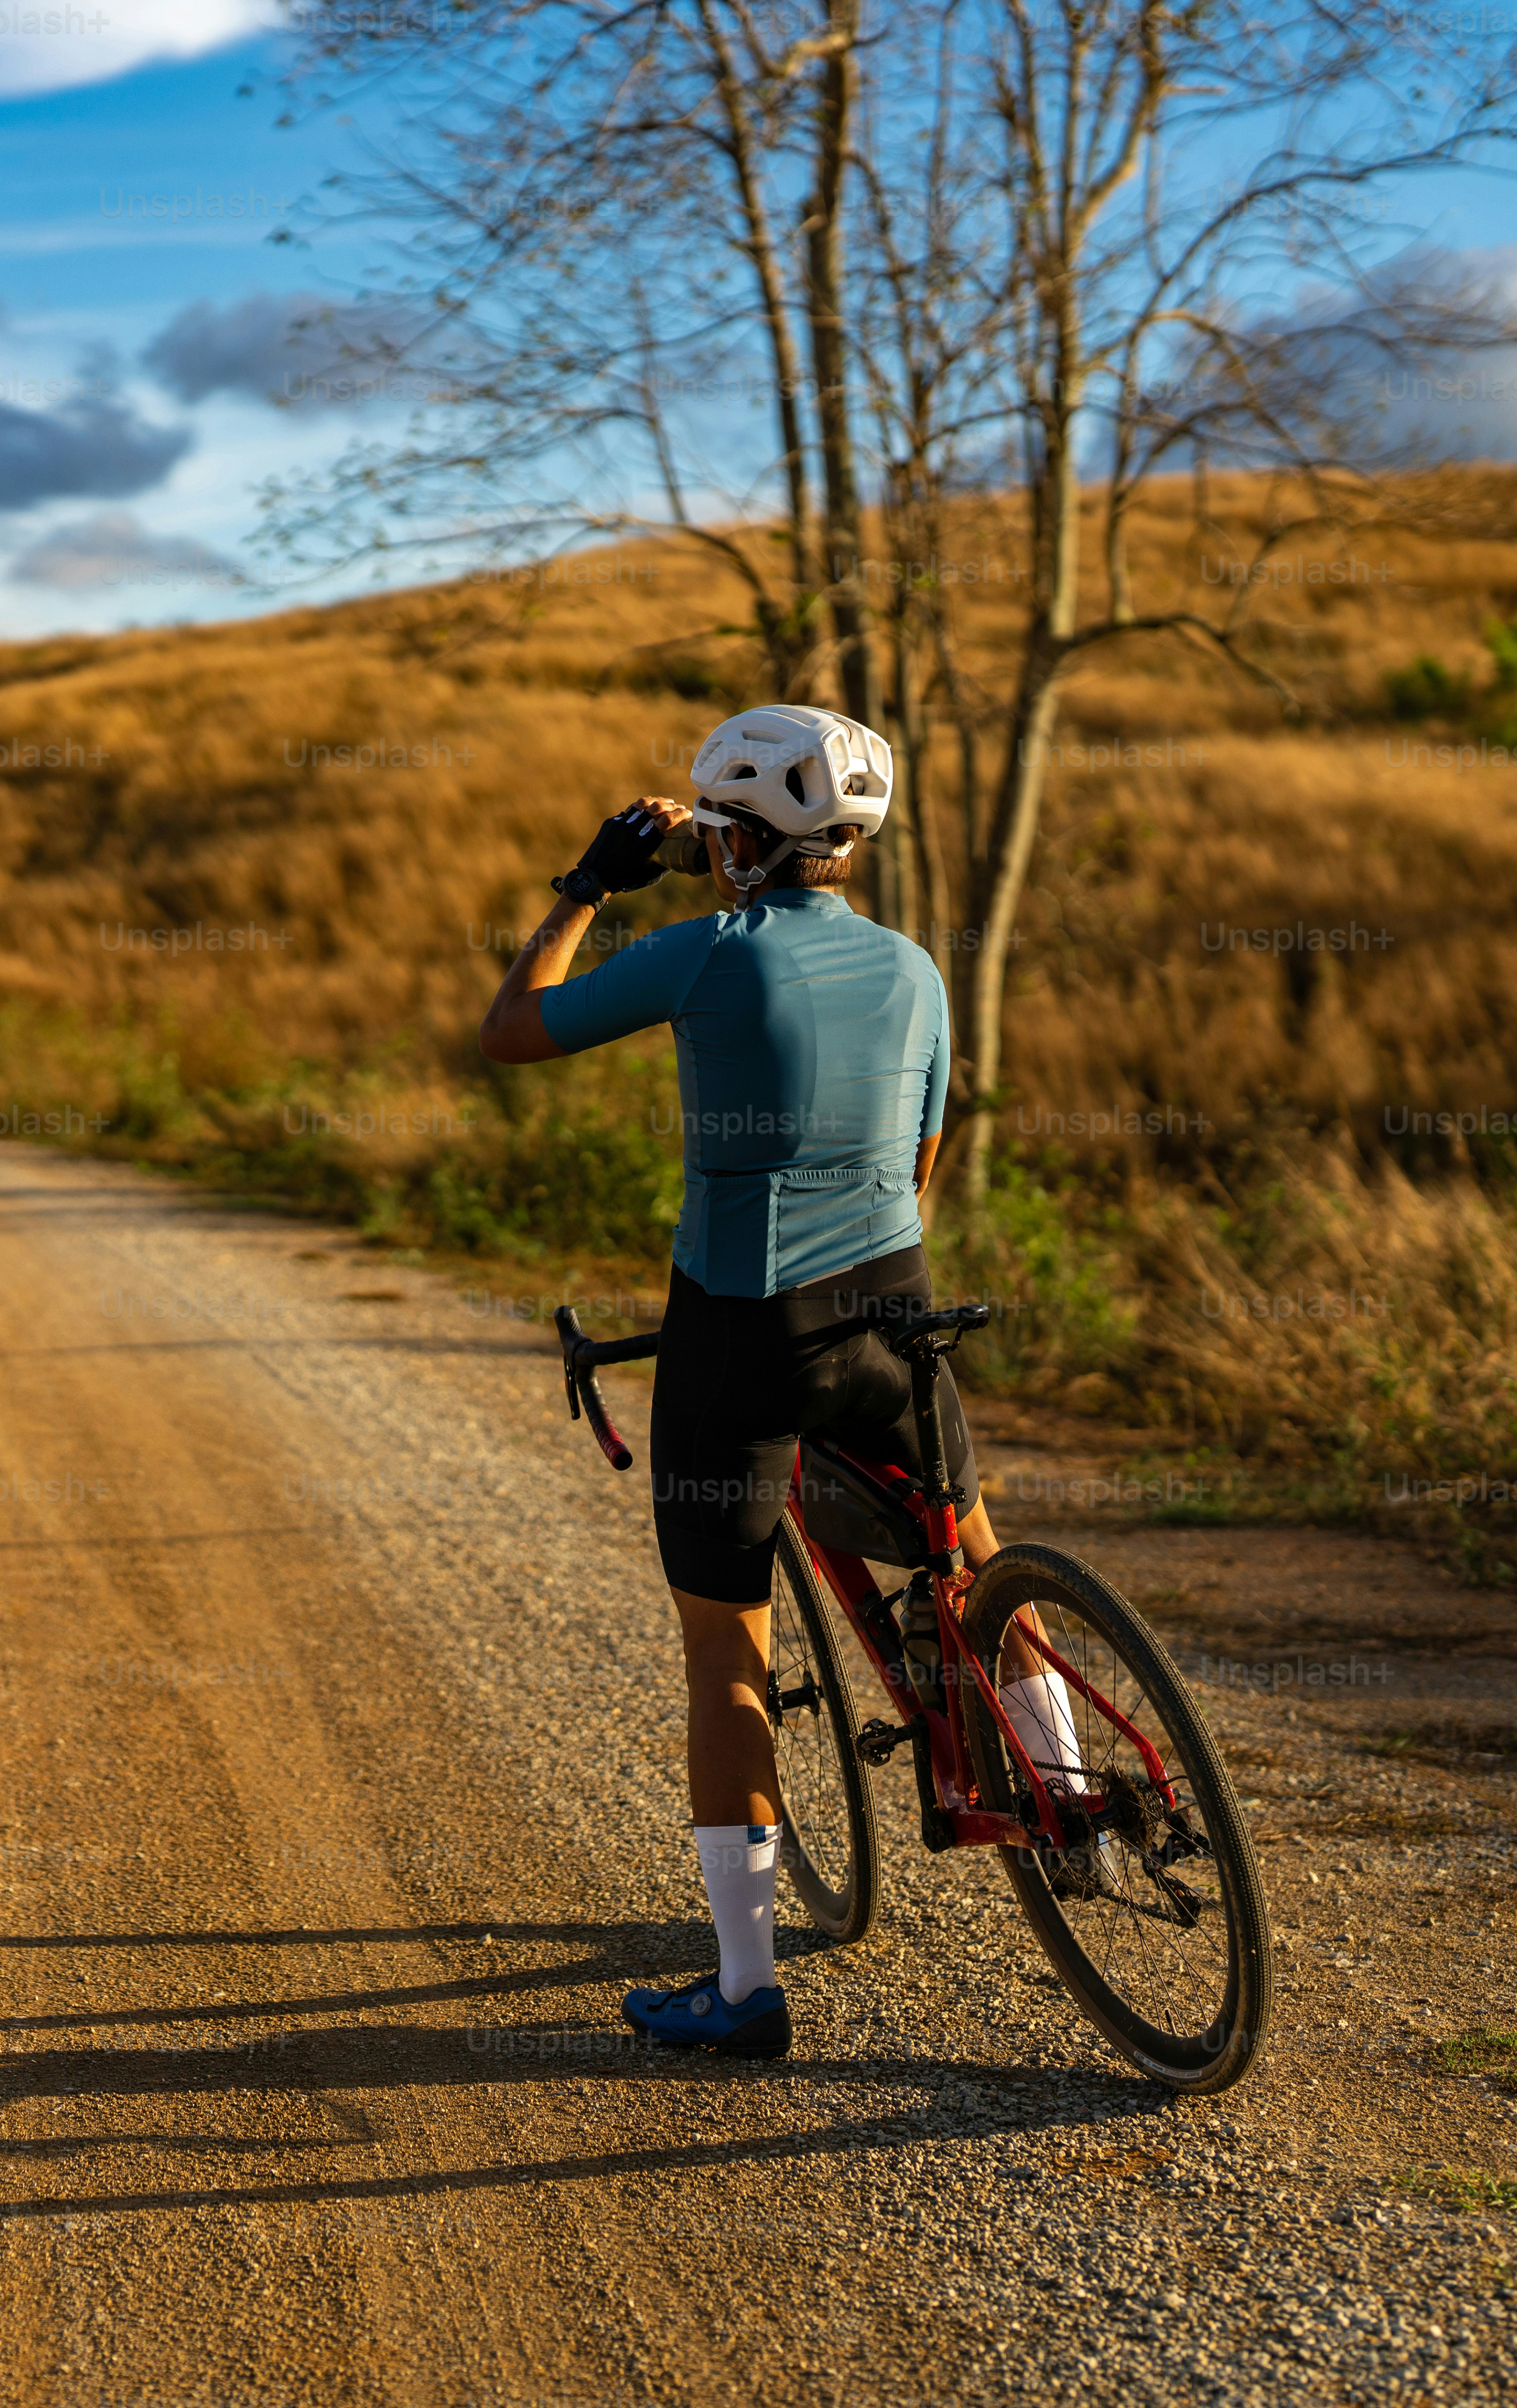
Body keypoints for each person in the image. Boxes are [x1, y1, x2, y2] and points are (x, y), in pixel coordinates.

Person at [479, 704, 1080, 2062]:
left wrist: (587, 887)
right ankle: (1077, 1797)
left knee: (725, 1650)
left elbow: (511, 1032)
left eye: (714, 829)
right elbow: (921, 1160)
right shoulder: (916, 969)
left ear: (742, 844)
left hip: (743, 1335)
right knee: (968, 1557)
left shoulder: (703, 955)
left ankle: (744, 1990)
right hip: (892, 1309)